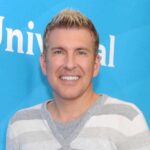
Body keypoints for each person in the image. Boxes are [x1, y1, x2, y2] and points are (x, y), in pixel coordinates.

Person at [6, 9, 150, 150]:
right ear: (44, 63)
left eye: (81, 52)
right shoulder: (20, 125)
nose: (69, 64)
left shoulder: (127, 120)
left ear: (95, 64)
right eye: (59, 52)